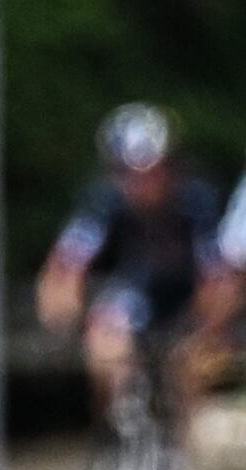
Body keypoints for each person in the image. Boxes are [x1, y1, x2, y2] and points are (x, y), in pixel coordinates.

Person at [38, 104, 228, 441]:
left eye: (153, 170)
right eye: (128, 173)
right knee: (106, 338)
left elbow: (217, 277)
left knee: (194, 364)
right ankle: (117, 428)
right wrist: (62, 316)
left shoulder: (197, 201)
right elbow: (66, 264)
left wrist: (203, 329)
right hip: (138, 290)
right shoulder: (104, 201)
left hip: (190, 294)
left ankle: (187, 448)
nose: (142, 182)